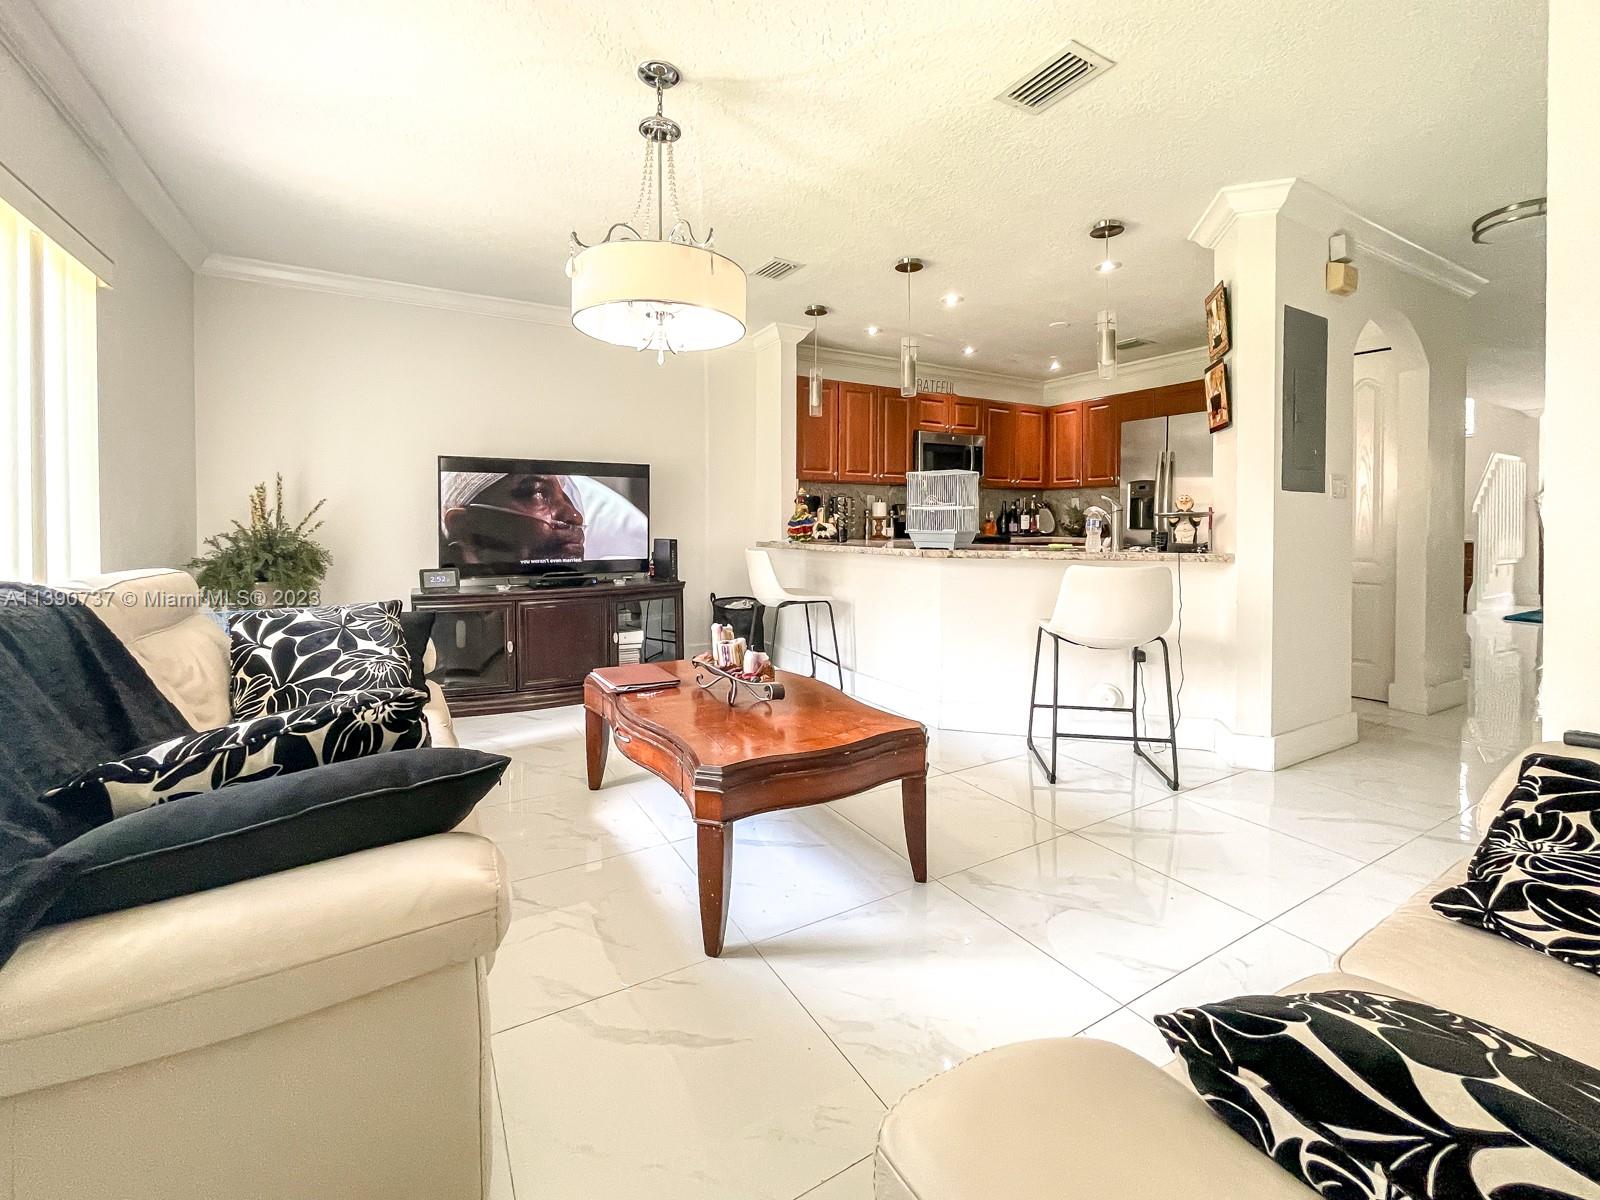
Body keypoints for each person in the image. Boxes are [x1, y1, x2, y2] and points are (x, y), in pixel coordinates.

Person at [440, 471, 645, 564]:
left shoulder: (617, 528)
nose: (574, 516)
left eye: (567, 495)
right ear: (465, 526)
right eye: (536, 492)